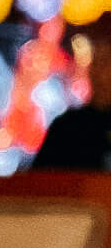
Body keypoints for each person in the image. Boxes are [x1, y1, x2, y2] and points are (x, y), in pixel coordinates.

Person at [32, 16, 111, 171]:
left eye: (108, 64)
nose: (104, 75)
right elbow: (40, 185)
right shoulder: (68, 127)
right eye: (100, 64)